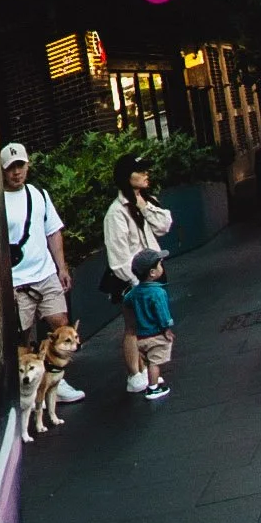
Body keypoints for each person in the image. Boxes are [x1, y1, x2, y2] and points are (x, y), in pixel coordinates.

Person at [3, 141, 83, 406]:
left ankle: (58, 382)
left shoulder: (38, 194)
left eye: (20, 166)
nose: (17, 172)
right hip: (17, 280)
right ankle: (30, 388)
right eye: (11, 168)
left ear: (28, 165)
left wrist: (61, 267)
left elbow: (53, 231)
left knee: (61, 324)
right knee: (23, 338)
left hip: (44, 272)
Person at [104, 156, 173, 395]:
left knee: (150, 324)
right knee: (133, 326)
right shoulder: (116, 213)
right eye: (139, 171)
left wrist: (144, 206)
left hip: (152, 277)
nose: (146, 174)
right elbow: (118, 258)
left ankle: (147, 369)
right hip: (133, 282)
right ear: (126, 177)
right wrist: (138, 285)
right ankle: (135, 374)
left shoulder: (143, 202)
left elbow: (164, 225)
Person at [123, 250, 174, 400]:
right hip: (155, 334)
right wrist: (167, 328)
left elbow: (126, 301)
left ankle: (151, 383)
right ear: (152, 272)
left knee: (148, 360)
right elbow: (162, 313)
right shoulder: (158, 293)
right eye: (159, 264)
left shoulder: (133, 293)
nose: (161, 267)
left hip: (141, 336)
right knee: (155, 363)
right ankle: (153, 388)